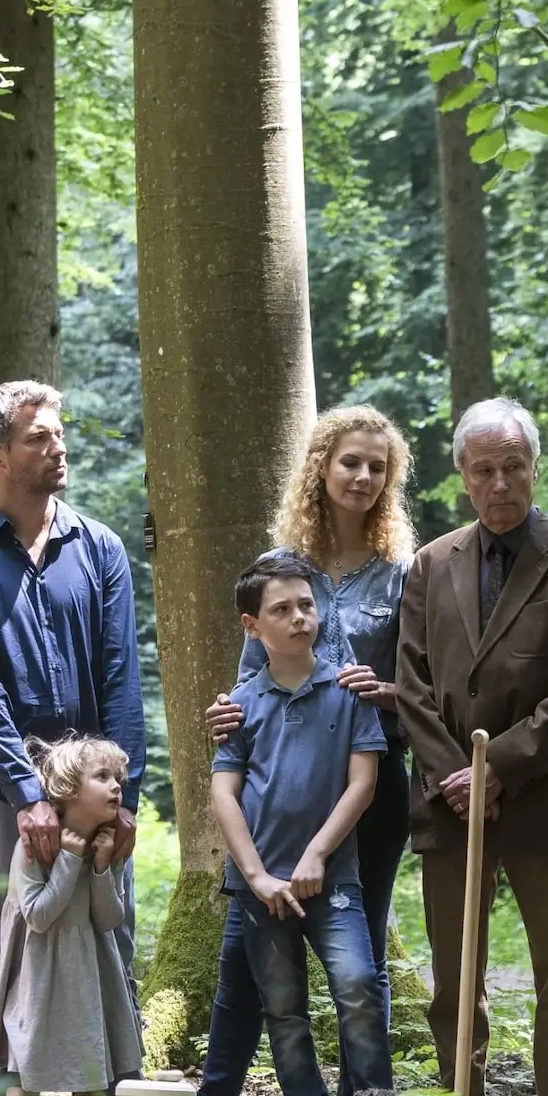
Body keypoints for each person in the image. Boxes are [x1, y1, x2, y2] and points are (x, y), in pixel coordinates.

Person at [397, 398, 548, 1096]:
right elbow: (411, 685)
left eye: (512, 466)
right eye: (483, 469)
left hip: (542, 797)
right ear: (462, 476)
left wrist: (501, 768)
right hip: (450, 802)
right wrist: (457, 775)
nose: (499, 484)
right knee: (456, 973)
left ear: (534, 468)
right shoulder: (430, 564)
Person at [0, 381, 147, 1096]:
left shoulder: (101, 550)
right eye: (39, 437)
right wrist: (30, 795)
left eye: (59, 434)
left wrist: (125, 798)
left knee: (107, 945)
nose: (58, 447)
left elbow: (122, 677)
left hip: (96, 794)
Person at [204, 406, 415, 1035]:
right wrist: (226, 711)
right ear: (321, 467)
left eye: (378, 468)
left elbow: (429, 685)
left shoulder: (405, 572)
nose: (362, 477)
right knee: (261, 950)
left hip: (373, 781)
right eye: (350, 461)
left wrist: (392, 692)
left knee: (364, 948)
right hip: (282, 786)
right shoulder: (280, 565)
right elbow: (251, 678)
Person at [194, 551, 391, 1096]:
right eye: (282, 609)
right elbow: (224, 793)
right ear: (253, 626)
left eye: (307, 605)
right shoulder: (239, 706)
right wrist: (256, 877)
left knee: (358, 984)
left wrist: (316, 856)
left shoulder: (348, 691)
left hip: (334, 882)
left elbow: (363, 783)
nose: (300, 617)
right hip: (262, 892)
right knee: (282, 1008)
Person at [0, 736, 143, 1096]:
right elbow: (37, 915)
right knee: (23, 1057)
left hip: (90, 968)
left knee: (92, 1053)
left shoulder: (109, 846)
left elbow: (109, 919)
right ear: (69, 789)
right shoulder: (34, 846)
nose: (116, 787)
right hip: (39, 971)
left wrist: (103, 866)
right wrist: (69, 860)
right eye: (102, 777)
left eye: (118, 778)